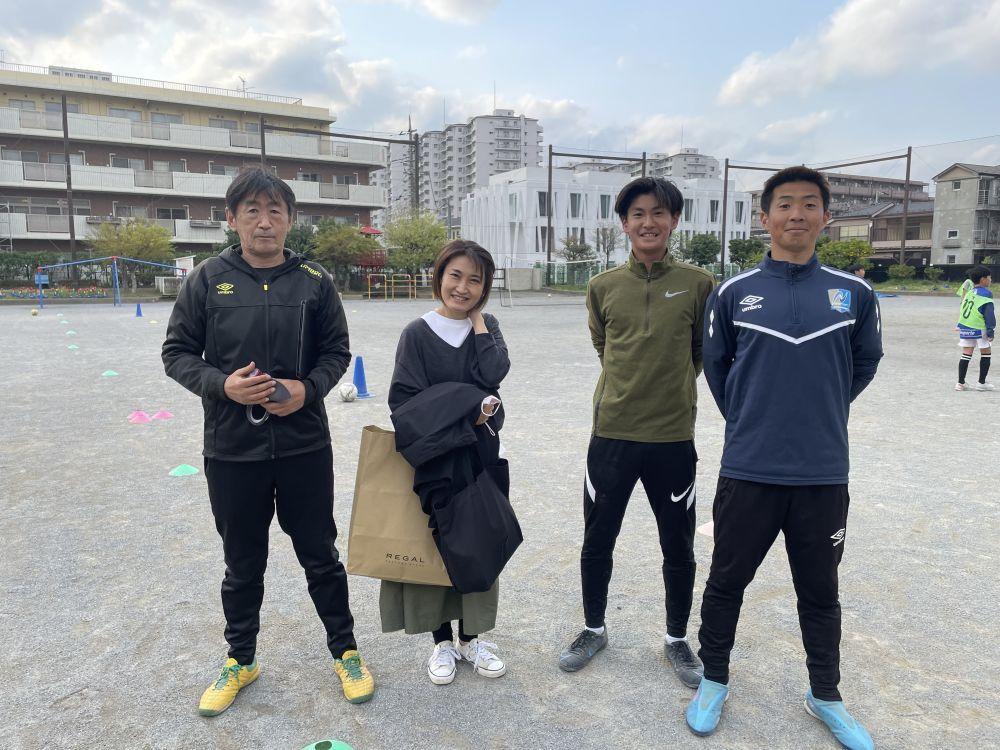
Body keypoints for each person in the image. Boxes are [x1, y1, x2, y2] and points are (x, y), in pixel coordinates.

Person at [162, 168, 374, 716]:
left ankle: (346, 651)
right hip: (232, 449)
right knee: (242, 563)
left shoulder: (314, 280)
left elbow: (337, 352)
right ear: (231, 218)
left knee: (320, 555)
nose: (264, 221)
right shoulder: (207, 279)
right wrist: (222, 386)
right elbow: (176, 354)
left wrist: (308, 389)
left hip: (304, 446)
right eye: (252, 210)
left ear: (290, 219)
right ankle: (241, 659)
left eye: (275, 210)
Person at [687, 166, 882, 750]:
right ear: (765, 217)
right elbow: (717, 369)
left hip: (823, 473)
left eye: (810, 204)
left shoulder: (855, 294)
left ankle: (825, 694)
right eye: (785, 204)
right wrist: (754, 417)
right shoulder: (732, 293)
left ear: (826, 216)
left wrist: (822, 408)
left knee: (820, 592)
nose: (797, 213)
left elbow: (864, 364)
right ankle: (713, 681)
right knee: (726, 582)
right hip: (749, 469)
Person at [558, 177, 715, 688]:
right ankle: (593, 628)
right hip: (612, 434)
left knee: (678, 544)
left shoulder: (699, 284)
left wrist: (669, 387)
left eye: (659, 213)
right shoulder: (602, 286)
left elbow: (701, 353)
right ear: (624, 224)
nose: (649, 222)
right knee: (598, 538)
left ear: (674, 220)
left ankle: (676, 638)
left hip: (672, 436)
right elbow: (604, 346)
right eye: (638, 214)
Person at [382, 240, 511, 686]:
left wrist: (479, 324)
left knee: (481, 540)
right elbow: (404, 403)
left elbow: (494, 376)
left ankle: (472, 638)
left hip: (479, 457)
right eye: (455, 275)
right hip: (436, 459)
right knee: (435, 544)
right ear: (439, 276)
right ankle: (441, 641)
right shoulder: (417, 333)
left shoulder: (487, 326)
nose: (463, 287)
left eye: (475, 280)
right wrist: (468, 408)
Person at [955, 266, 994, 391]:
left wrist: (959, 325)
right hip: (979, 327)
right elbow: (989, 314)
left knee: (966, 353)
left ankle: (960, 383)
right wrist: (990, 331)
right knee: (986, 353)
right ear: (983, 279)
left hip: (965, 326)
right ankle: (981, 383)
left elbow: (963, 309)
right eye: (989, 277)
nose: (991, 280)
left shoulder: (969, 292)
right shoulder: (987, 294)